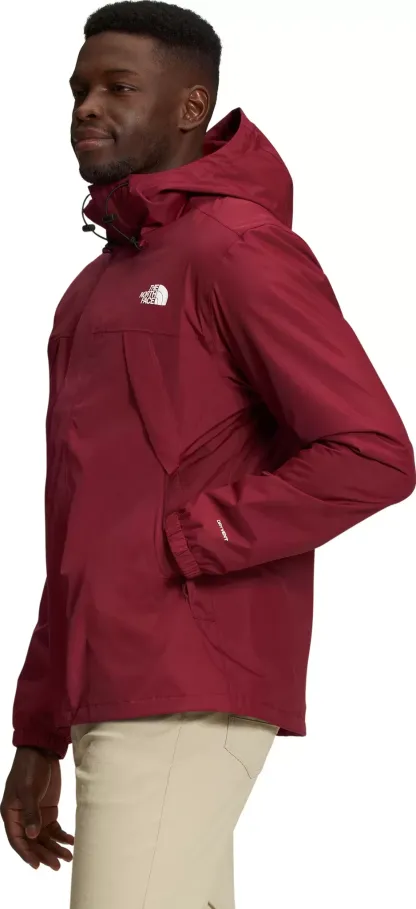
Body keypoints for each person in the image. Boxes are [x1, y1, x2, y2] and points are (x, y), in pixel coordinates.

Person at [1, 2, 414, 907]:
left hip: (184, 675)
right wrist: (39, 727)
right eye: (78, 88)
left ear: (192, 106)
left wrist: (192, 538)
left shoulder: (236, 249)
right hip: (114, 681)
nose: (87, 107)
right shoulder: (91, 291)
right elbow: (79, 527)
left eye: (119, 87)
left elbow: (374, 451)